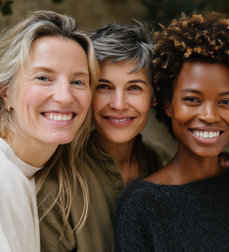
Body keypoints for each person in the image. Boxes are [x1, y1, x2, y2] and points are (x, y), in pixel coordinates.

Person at [115, 12, 229, 251]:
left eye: (225, 102)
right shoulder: (142, 205)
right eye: (193, 99)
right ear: (168, 104)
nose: (210, 116)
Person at [38, 21, 166, 251]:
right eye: (104, 86)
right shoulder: (57, 182)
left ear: (153, 97)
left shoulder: (163, 162)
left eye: (134, 88)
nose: (118, 104)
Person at [0, 10, 98, 252]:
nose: (65, 97)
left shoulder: (27, 175)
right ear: (6, 92)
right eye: (43, 78)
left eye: (78, 82)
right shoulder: (5, 178)